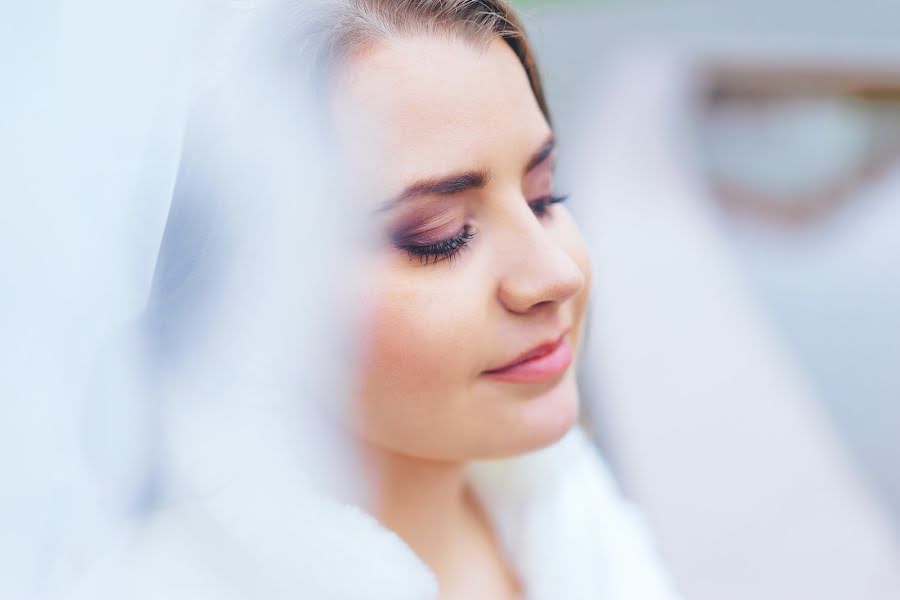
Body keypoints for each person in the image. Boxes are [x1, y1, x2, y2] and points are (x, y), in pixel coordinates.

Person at [71, 2, 680, 599]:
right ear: (256, 291)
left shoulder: (567, 504)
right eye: (439, 236)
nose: (554, 275)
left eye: (543, 196)